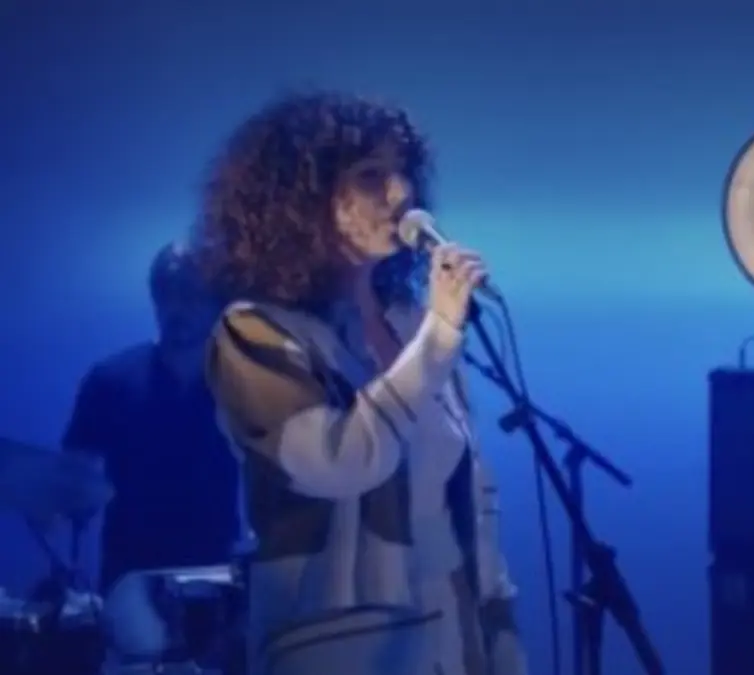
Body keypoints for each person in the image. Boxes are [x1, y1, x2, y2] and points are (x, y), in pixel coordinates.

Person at [193, 91, 526, 675]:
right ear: (302, 197)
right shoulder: (253, 334)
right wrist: (439, 339)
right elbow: (338, 463)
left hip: (449, 630)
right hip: (336, 643)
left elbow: (471, 491)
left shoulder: (413, 323)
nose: (399, 194)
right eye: (371, 176)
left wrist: (497, 625)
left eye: (403, 173)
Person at [62, 242, 239, 590]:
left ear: (217, 302)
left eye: (191, 293)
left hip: (218, 574)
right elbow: (72, 479)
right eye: (166, 293)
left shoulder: (241, 383)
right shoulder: (109, 380)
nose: (177, 307)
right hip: (130, 578)